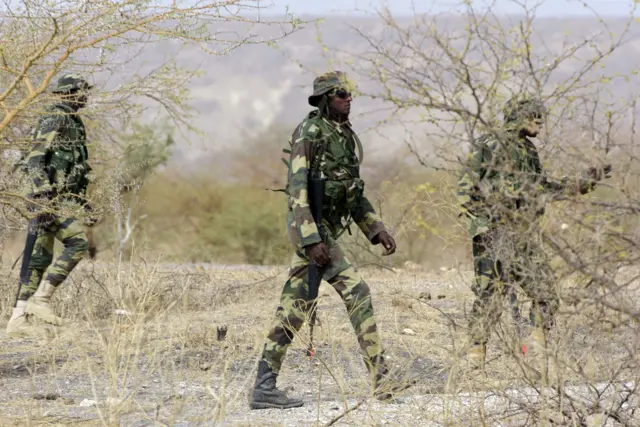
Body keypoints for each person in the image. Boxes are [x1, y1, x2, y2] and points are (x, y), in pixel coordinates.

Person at [249, 71, 414, 409]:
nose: (348, 98)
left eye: (350, 93)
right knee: (357, 291)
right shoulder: (310, 131)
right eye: (341, 94)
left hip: (323, 231)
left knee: (295, 307)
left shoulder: (344, 136)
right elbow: (297, 188)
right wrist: (310, 240)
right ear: (325, 98)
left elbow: (352, 192)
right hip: (311, 229)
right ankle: (381, 379)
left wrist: (375, 228)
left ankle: (264, 386)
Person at [456, 96, 612, 378]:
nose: (540, 123)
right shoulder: (490, 144)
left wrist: (585, 182)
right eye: (534, 117)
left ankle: (537, 355)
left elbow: (544, 187)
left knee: (546, 295)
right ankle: (474, 363)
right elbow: (465, 190)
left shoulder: (528, 150)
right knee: (489, 296)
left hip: (523, 236)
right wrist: (484, 228)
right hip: (493, 234)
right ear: (519, 118)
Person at [7, 73, 97, 338]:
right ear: (69, 93)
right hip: (47, 197)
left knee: (38, 257)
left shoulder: (74, 121)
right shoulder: (55, 117)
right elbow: (35, 158)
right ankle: (40, 301)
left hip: (61, 198)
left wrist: (83, 202)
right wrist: (43, 196)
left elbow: (76, 169)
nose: (86, 96)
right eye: (82, 91)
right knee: (77, 243)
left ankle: (17, 319)